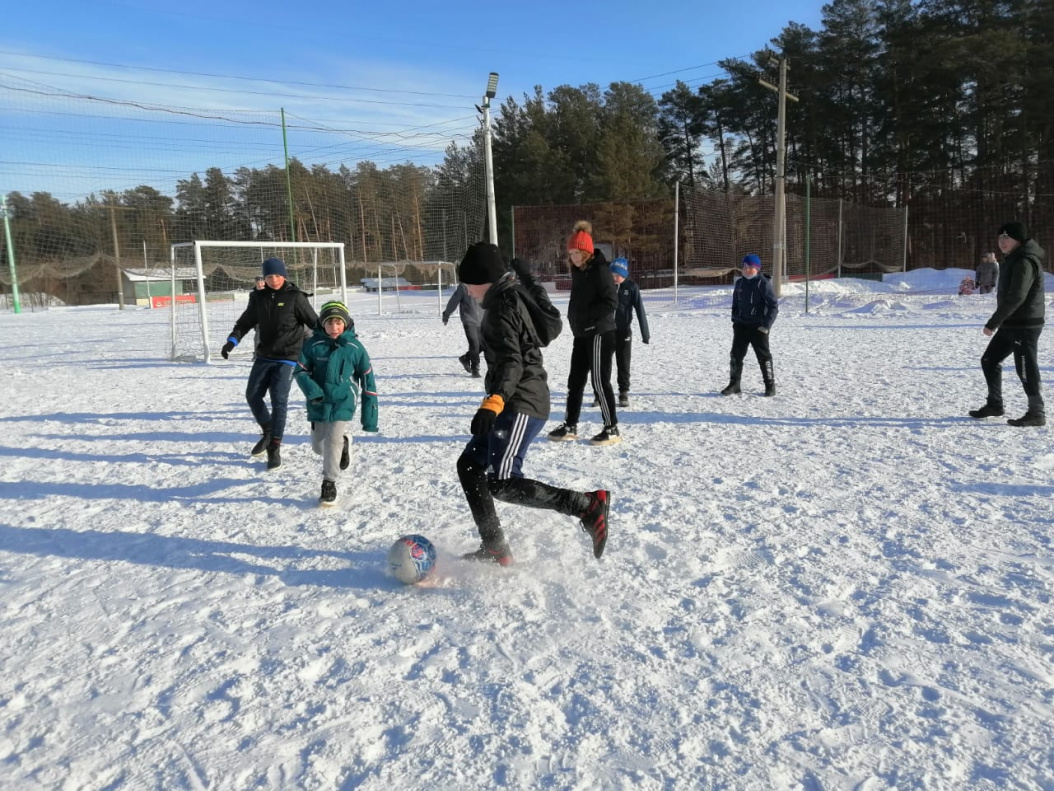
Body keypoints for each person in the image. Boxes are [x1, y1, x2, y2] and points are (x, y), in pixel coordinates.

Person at [454, 242, 611, 565]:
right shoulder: (514, 293)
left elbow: (512, 362)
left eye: (469, 285)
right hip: (516, 397)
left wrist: (493, 401)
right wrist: (529, 278)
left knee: (502, 482)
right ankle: (495, 546)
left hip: (520, 402)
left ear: (484, 280)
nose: (468, 292)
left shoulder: (499, 311)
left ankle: (585, 505)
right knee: (469, 467)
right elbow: (551, 321)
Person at [221, 257, 318, 470]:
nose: (273, 280)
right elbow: (245, 322)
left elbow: (315, 323)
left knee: (278, 400)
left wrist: (329, 343)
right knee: (252, 395)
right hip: (264, 355)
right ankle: (267, 431)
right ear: (263, 278)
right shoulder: (258, 298)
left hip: (288, 356)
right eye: (269, 276)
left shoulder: (296, 297)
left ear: (284, 276)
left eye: (277, 275)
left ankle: (274, 446)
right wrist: (232, 341)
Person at [295, 301, 378, 506]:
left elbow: (369, 382)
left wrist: (369, 419)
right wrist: (313, 391)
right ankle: (344, 443)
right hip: (319, 402)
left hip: (343, 401)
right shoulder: (312, 345)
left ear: (346, 324)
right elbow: (300, 371)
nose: (334, 328)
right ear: (322, 324)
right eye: (329, 323)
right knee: (318, 447)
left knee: (332, 440)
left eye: (338, 323)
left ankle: (329, 482)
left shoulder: (354, 348)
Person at [547, 221, 621, 445]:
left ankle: (612, 429)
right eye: (571, 253)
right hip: (582, 334)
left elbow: (611, 302)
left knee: (599, 382)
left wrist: (589, 320)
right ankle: (570, 425)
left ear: (587, 251)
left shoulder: (600, 271)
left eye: (577, 252)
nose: (574, 257)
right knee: (575, 381)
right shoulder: (578, 271)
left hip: (600, 332)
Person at [969, 221, 1046, 427]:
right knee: (989, 360)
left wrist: (994, 322)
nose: (1002, 242)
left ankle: (1036, 412)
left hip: (1025, 324)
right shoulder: (1012, 259)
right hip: (1011, 323)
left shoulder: (1024, 261)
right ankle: (995, 404)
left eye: (1007, 238)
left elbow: (1016, 297)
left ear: (1018, 240)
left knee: (1025, 367)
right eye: (1000, 237)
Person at [721, 253, 779, 397]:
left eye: (750, 267)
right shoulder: (739, 283)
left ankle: (769, 385)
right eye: (744, 266)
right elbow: (735, 303)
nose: (746, 269)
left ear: (757, 269)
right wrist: (735, 319)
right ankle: (734, 384)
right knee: (736, 355)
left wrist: (766, 325)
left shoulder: (763, 283)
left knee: (763, 357)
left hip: (758, 328)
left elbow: (773, 306)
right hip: (741, 326)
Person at [610, 257, 650, 408]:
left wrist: (645, 333)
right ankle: (600, 393)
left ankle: (623, 391)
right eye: (611, 274)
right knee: (603, 364)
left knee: (623, 363)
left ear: (624, 274)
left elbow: (640, 310)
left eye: (617, 275)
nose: (614, 277)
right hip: (606, 331)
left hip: (623, 331)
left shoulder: (632, 287)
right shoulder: (606, 286)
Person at [442, 282, 483, 378]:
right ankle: (475, 369)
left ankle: (466, 358)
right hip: (469, 320)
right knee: (474, 344)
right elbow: (454, 301)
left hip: (483, 320)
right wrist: (446, 314)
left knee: (484, 344)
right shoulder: (464, 286)